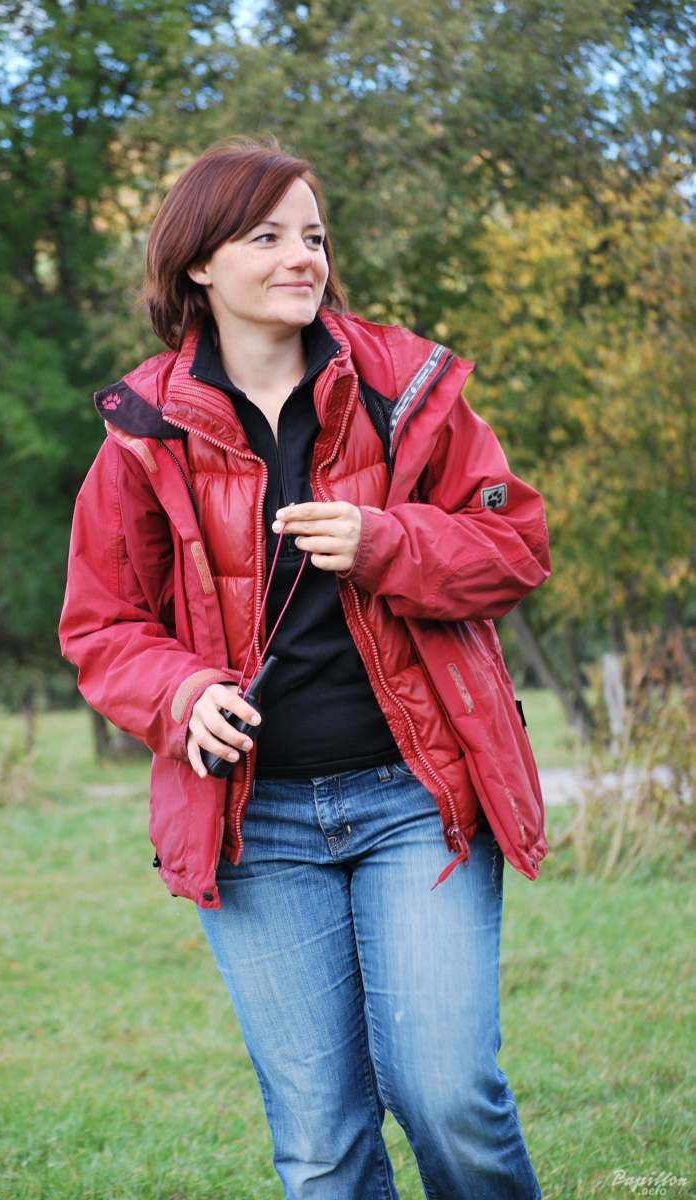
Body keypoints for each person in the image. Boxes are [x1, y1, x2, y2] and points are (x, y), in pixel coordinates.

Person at [58, 134, 550, 1199]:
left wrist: (386, 541)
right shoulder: (142, 432)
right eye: (266, 236)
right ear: (198, 262)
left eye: (314, 236)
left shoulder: (405, 390)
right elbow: (101, 625)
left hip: (417, 800)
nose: (301, 257)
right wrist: (181, 693)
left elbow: (515, 545)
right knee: (321, 1143)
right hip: (254, 824)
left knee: (448, 1095)